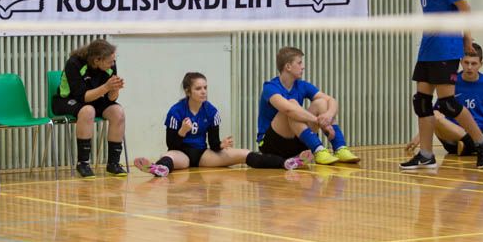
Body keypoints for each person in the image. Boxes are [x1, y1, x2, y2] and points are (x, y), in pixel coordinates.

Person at [398, 0, 483, 171]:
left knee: (448, 104)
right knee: (421, 102)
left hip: (446, 48)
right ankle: (426, 154)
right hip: (428, 49)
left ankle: (482, 142)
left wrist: (467, 39)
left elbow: (465, 8)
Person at [133, 72, 312, 177]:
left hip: (203, 154)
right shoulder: (176, 111)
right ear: (188, 91)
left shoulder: (211, 111)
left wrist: (221, 145)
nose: (203, 92)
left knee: (244, 153)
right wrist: (182, 131)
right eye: (198, 88)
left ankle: (286, 163)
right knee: (169, 157)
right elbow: (171, 144)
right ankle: (158, 168)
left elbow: (213, 143)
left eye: (205, 88)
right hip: (182, 153)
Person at [405, 42, 483, 157]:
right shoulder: (451, 80)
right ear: (461, 62)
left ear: (481, 64)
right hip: (458, 134)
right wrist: (420, 137)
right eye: (466, 62)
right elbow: (434, 112)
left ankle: (474, 146)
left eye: (473, 63)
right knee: (436, 116)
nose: (469, 67)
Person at [255, 46, 360, 169]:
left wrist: (328, 116)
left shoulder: (302, 85)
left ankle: (340, 147)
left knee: (321, 103)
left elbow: (331, 100)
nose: (303, 67)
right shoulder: (270, 87)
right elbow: (288, 110)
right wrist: (319, 121)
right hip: (271, 145)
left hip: (295, 140)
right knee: (292, 105)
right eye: (299, 63)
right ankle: (318, 149)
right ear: (288, 67)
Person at [52, 38, 127, 178]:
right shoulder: (74, 63)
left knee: (118, 112)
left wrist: (115, 89)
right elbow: (82, 97)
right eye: (109, 61)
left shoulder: (110, 66)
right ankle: (83, 163)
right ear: (97, 60)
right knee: (88, 111)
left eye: (114, 61)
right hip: (67, 100)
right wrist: (106, 87)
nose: (113, 64)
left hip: (95, 99)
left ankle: (113, 164)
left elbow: (111, 99)